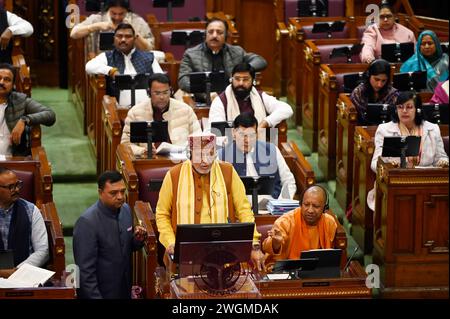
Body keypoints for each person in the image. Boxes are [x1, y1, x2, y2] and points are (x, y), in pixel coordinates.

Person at [155, 133, 265, 271]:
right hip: (184, 254)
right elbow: (162, 214)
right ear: (190, 154)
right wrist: (171, 242)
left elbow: (244, 211)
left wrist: (254, 245)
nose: (205, 161)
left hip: (223, 253)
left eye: (210, 155)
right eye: (199, 155)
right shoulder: (173, 175)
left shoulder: (228, 171)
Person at [367, 91, 449, 210]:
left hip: (426, 184)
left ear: (418, 109)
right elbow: (375, 163)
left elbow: (441, 157)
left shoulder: (432, 129)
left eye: (409, 107)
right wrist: (388, 166)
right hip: (395, 184)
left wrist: (443, 162)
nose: (404, 111)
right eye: (400, 107)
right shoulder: (384, 130)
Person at [73, 171, 148, 299]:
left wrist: (137, 240)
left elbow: (124, 247)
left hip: (124, 290)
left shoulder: (125, 210)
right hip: (101, 293)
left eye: (122, 191)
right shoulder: (87, 223)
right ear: (100, 193)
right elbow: (85, 273)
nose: (120, 196)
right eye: (113, 193)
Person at [218, 113, 296, 202]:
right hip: (237, 211)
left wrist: (280, 205)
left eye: (251, 135)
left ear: (257, 134)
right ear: (234, 133)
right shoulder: (221, 156)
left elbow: (289, 182)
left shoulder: (271, 150)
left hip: (271, 208)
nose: (247, 140)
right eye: (242, 134)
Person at [120, 73, 202, 157]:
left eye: (165, 92)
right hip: (149, 162)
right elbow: (125, 145)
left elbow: (198, 139)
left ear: (171, 91)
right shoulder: (135, 113)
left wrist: (187, 150)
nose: (162, 97)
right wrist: (143, 151)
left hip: (181, 160)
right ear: (149, 92)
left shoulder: (185, 110)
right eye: (157, 93)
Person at [177, 18, 267, 93]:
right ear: (205, 34)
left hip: (233, 97)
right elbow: (183, 81)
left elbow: (260, 61)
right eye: (211, 32)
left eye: (219, 32)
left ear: (226, 36)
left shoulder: (237, 51)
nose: (214, 35)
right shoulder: (191, 54)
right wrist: (206, 93)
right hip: (202, 99)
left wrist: (244, 69)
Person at [85, 23, 163, 109]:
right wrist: (111, 71)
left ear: (135, 39)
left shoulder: (148, 57)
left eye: (128, 36)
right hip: (117, 109)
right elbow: (89, 66)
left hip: (148, 107)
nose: (123, 39)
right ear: (114, 38)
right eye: (119, 36)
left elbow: (162, 79)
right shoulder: (108, 56)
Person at [262, 185, 337, 271]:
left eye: (316, 206)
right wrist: (276, 244)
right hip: (286, 270)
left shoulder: (329, 223)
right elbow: (267, 248)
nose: (310, 210)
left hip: (316, 271)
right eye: (306, 205)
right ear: (300, 204)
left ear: (324, 207)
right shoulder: (285, 222)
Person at [209, 63, 293, 137]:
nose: (241, 83)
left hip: (258, 145)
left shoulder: (260, 96)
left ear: (253, 81)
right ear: (231, 80)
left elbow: (286, 109)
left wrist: (264, 123)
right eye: (237, 79)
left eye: (245, 79)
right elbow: (216, 132)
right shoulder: (220, 101)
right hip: (230, 147)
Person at [0, 168, 49, 278]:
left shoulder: (31, 210)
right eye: (11, 187)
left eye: (18, 184)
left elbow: (42, 251)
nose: (17, 189)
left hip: (25, 276)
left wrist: (18, 271)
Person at [0, 63, 56, 156]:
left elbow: (50, 115)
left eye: (7, 80)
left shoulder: (20, 100)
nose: (1, 82)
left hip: (13, 161)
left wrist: (25, 120)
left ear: (13, 85)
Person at [70, 0, 154, 51]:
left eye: (121, 14)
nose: (117, 17)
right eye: (113, 13)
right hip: (102, 64)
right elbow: (73, 33)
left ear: (127, 11)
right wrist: (96, 26)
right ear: (108, 9)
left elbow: (149, 48)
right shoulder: (98, 18)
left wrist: (133, 32)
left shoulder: (137, 21)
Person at [350, 59, 399, 124]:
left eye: (383, 81)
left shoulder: (393, 94)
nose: (380, 85)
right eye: (376, 79)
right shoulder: (358, 93)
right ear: (368, 75)